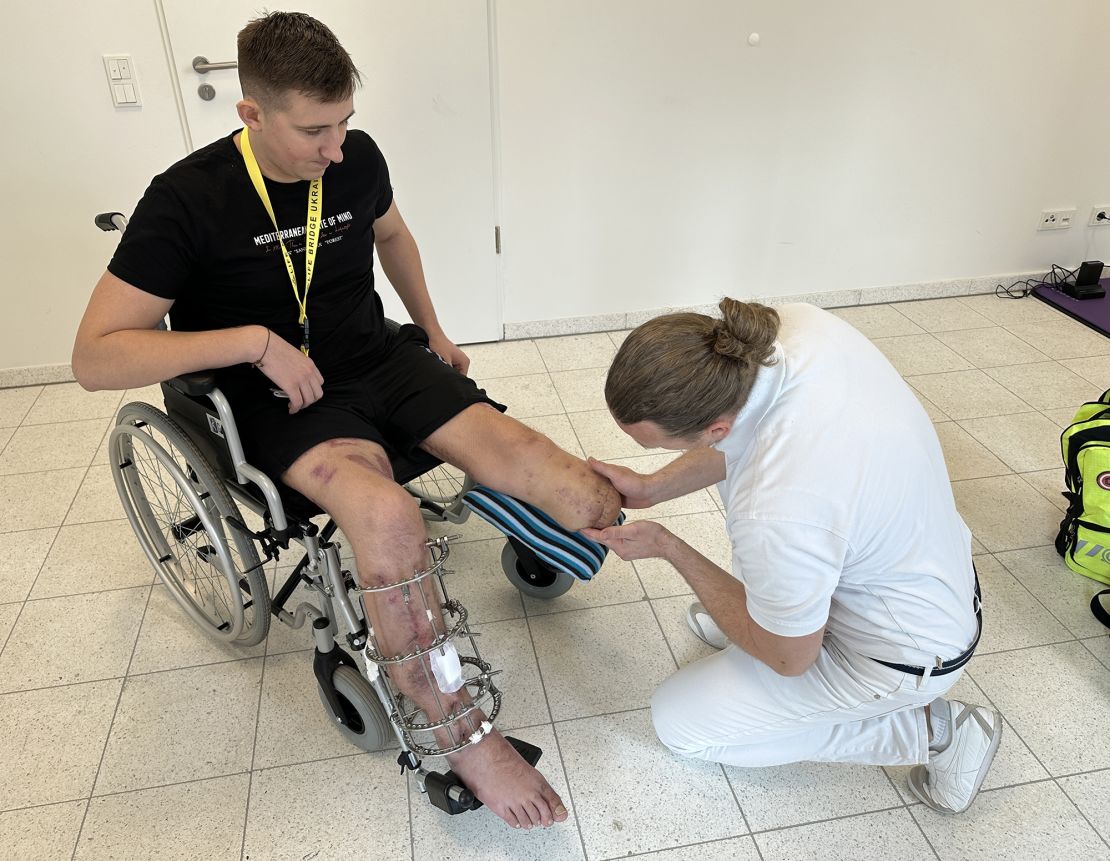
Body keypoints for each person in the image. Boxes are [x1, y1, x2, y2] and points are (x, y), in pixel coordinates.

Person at [71, 11, 619, 830]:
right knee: (386, 513)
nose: (337, 150)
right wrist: (255, 342)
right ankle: (455, 722)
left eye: (346, 124)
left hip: (377, 356)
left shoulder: (355, 159)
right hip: (274, 398)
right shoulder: (186, 200)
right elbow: (95, 357)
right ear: (251, 114)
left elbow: (392, 234)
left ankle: (587, 536)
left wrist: (432, 330)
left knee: (553, 470)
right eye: (315, 130)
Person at [583, 299, 1001, 815]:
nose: (650, 452)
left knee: (679, 724)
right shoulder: (793, 326)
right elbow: (744, 436)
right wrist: (649, 488)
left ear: (714, 428)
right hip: (929, 571)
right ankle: (771, 621)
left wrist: (669, 546)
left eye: (651, 448)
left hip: (901, 654)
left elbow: (790, 660)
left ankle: (937, 733)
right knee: (772, 569)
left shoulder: (779, 507)